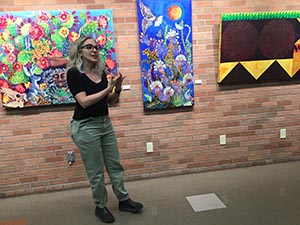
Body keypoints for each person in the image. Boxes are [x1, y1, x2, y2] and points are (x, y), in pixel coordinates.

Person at [66, 35, 143, 223]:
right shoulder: (74, 73)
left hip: (104, 123)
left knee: (115, 164)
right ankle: (100, 206)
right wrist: (107, 89)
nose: (94, 50)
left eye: (97, 47)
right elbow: (83, 102)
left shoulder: (101, 72)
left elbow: (111, 102)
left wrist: (117, 89)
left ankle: (123, 200)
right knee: (96, 171)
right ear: (80, 51)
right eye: (89, 47)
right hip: (85, 126)